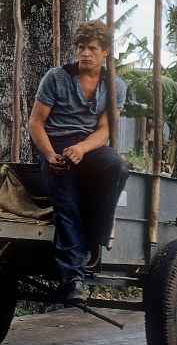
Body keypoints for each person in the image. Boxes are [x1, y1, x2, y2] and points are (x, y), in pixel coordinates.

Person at [28, 20, 130, 304]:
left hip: (89, 146)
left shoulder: (115, 86)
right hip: (56, 145)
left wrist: (82, 149)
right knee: (67, 204)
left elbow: (105, 131)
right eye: (81, 47)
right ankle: (72, 278)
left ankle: (94, 241)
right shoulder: (56, 77)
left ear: (105, 52)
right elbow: (36, 123)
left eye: (93, 48)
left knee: (117, 165)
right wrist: (50, 156)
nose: (86, 53)